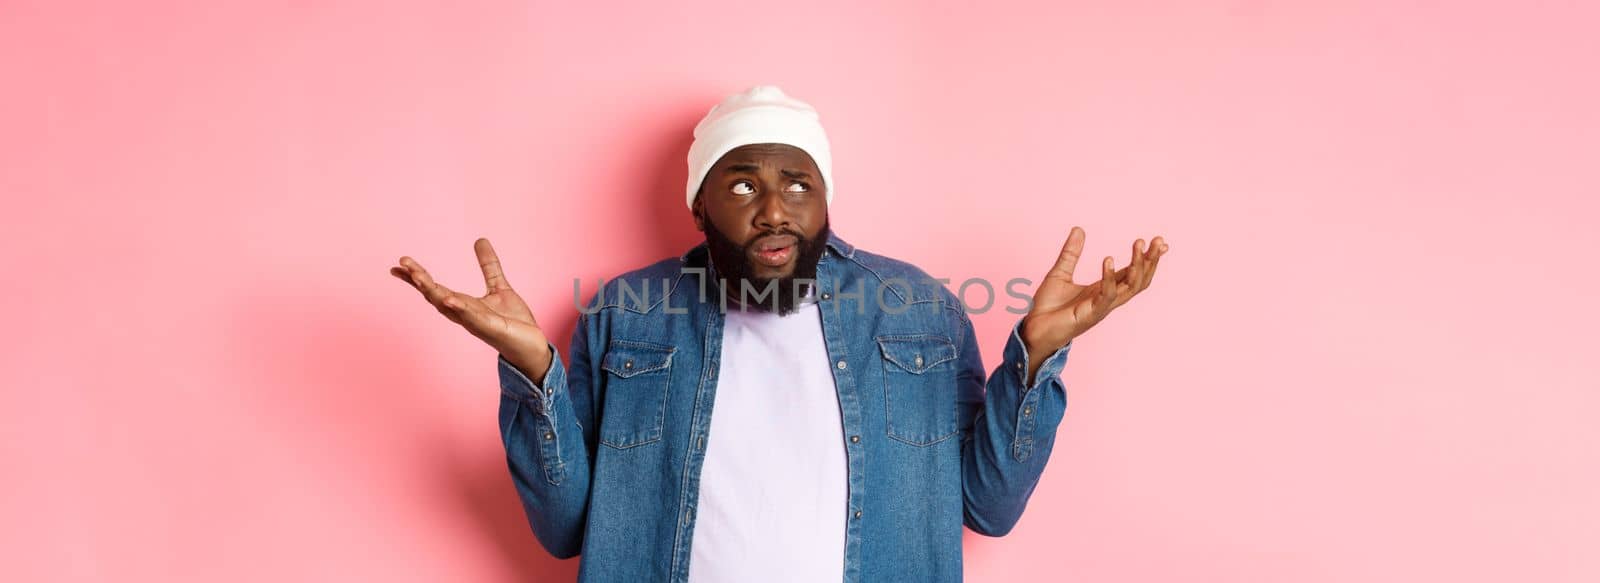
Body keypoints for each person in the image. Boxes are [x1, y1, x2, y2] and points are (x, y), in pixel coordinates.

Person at [389, 85, 1169, 582]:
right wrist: (532, 370)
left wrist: (1033, 358)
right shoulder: (627, 312)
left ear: (825, 198)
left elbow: (989, 507)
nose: (774, 207)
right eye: (742, 184)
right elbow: (565, 532)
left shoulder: (919, 309)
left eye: (799, 183)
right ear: (700, 205)